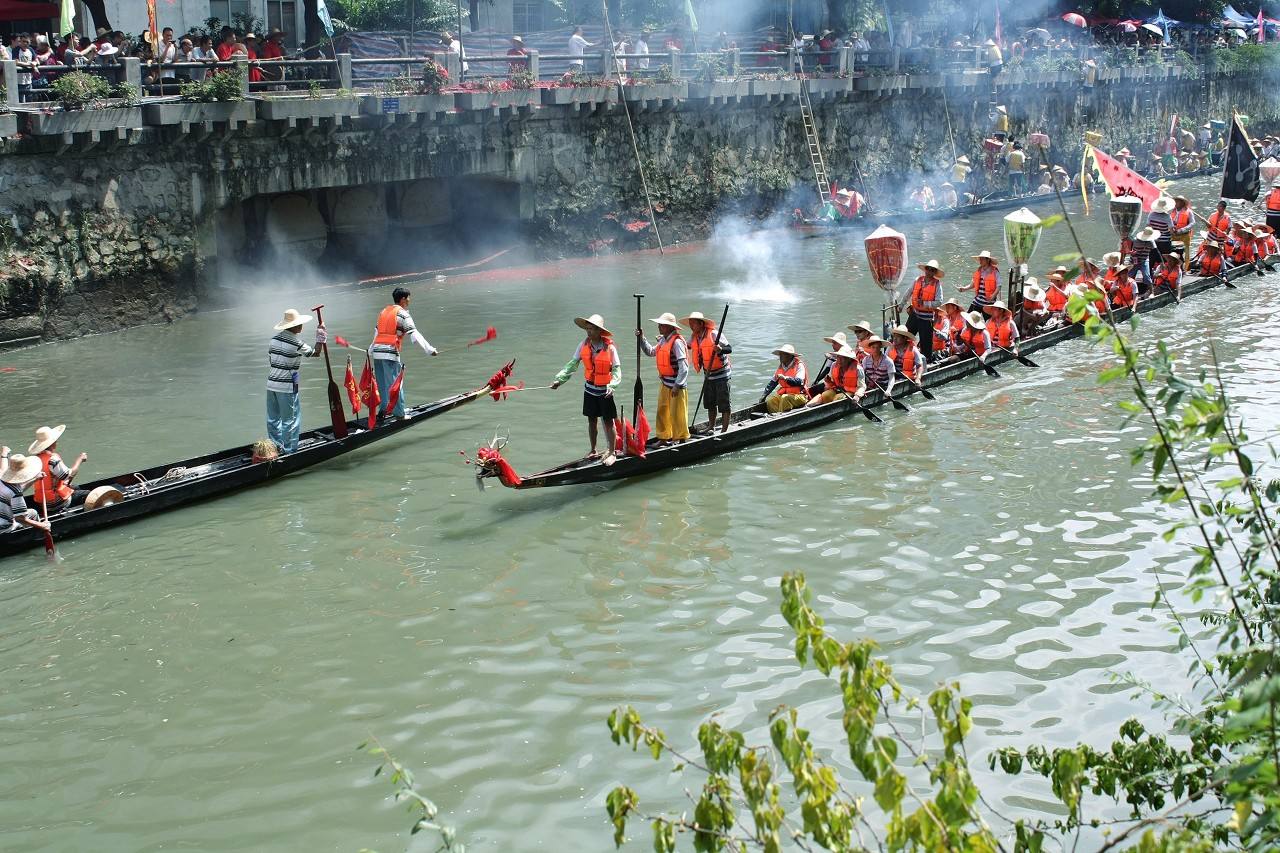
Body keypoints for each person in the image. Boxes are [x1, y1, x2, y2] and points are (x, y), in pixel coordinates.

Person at [551, 314, 620, 463]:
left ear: (599, 331)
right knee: (591, 420)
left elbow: (616, 369)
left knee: (608, 421)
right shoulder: (583, 345)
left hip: (605, 391)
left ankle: (613, 452)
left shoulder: (610, 347)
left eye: (592, 329)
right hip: (590, 389)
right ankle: (593, 449)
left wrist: (612, 385)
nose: (588, 332)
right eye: (587, 329)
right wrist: (559, 380)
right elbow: (572, 364)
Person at [369, 287, 437, 421]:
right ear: (403, 299)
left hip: (377, 353)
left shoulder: (384, 311)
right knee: (395, 384)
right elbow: (414, 334)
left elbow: (377, 333)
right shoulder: (403, 314)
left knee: (382, 384)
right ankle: (399, 413)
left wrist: (371, 350)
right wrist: (430, 350)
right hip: (389, 353)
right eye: (408, 298)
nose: (410, 300)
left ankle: (383, 410)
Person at [266, 307, 325, 453]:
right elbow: (315, 353)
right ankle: (290, 450)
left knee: (273, 419)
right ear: (295, 326)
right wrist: (320, 336)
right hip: (287, 385)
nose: (302, 326)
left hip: (271, 383)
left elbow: (271, 361)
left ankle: (276, 446)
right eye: (300, 323)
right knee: (290, 419)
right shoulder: (296, 342)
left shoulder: (273, 340)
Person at [637, 312, 690, 443]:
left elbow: (684, 367)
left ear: (670, 327)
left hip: (676, 385)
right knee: (662, 411)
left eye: (662, 325)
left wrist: (677, 385)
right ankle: (663, 438)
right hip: (665, 383)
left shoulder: (677, 342)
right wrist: (642, 338)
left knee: (677, 414)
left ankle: (681, 439)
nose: (659, 327)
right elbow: (650, 352)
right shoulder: (662, 340)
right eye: (659, 324)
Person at [683, 310, 733, 434]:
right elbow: (686, 346)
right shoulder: (694, 337)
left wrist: (720, 349)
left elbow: (729, 348)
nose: (691, 326)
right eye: (690, 324)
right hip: (709, 375)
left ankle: (724, 430)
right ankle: (711, 426)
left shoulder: (714, 334)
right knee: (710, 403)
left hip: (722, 374)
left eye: (693, 324)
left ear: (701, 324)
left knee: (724, 404)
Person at [27, 425, 89, 514]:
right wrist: (80, 460)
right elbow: (69, 475)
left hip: (42, 502)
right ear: (52, 443)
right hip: (55, 503)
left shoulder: (35, 459)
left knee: (76, 487)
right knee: (88, 493)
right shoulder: (53, 460)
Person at [0, 453, 52, 535]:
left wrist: (35, 479)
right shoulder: (15, 491)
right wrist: (42, 526)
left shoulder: (2, 481)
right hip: (4, 528)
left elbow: (14, 491)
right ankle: (38, 536)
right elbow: (20, 519)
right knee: (33, 514)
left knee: (32, 512)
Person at [906, 259, 944, 361]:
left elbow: (939, 301)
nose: (929, 271)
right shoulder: (918, 280)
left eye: (932, 270)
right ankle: (904, 358)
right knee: (905, 337)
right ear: (925, 269)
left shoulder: (937, 284)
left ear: (934, 272)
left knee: (926, 343)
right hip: (915, 314)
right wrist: (901, 305)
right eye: (928, 269)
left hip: (926, 318)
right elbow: (909, 292)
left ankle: (927, 362)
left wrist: (925, 303)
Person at [760, 344, 808, 413]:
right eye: (780, 355)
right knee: (770, 401)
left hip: (799, 396)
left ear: (790, 356)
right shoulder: (781, 366)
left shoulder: (799, 365)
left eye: (783, 355)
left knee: (785, 398)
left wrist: (786, 378)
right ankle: (777, 416)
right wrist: (764, 396)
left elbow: (800, 382)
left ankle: (782, 415)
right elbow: (772, 383)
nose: (780, 357)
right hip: (785, 395)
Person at [958, 249, 1001, 314]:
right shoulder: (979, 270)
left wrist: (993, 295)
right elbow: (973, 284)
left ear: (988, 260)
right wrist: (964, 289)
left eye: (982, 259)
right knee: (969, 320)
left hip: (988, 304)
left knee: (989, 322)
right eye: (980, 259)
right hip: (977, 301)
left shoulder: (995, 272)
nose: (980, 261)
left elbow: (999, 285)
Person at [1129, 226, 1158, 293]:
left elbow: (1156, 251)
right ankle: (1130, 291)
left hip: (1144, 260)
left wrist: (1161, 262)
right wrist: (1131, 253)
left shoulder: (1151, 242)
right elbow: (1129, 250)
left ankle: (1151, 292)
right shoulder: (1135, 241)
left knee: (1146, 275)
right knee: (1130, 276)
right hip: (1134, 260)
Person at [1170, 196, 1194, 269]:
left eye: (1178, 201)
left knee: (1186, 252)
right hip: (1174, 234)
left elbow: (1192, 223)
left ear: (1182, 203)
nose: (1176, 203)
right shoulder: (1172, 211)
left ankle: (1186, 268)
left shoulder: (1189, 211)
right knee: (1174, 250)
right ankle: (1175, 266)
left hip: (1184, 235)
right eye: (1175, 201)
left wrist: (1182, 230)